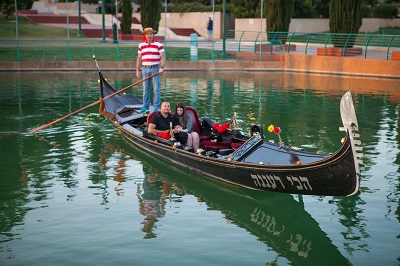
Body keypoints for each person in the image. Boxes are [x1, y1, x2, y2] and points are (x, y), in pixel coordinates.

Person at [136, 27, 166, 114]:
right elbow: (139, 59)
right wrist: (137, 70)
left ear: (153, 35)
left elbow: (163, 57)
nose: (149, 35)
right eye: (148, 34)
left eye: (151, 34)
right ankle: (145, 106)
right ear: (145, 35)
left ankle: (156, 107)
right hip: (145, 69)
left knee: (156, 88)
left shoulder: (158, 44)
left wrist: (162, 67)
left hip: (155, 68)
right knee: (146, 89)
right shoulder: (141, 45)